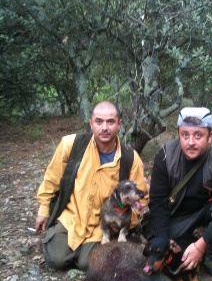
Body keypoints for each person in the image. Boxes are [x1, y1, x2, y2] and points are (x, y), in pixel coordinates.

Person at [35, 101, 148, 271]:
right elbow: (52, 177)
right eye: (99, 121)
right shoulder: (71, 145)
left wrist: (124, 221)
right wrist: (44, 209)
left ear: (119, 125)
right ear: (91, 123)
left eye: (110, 122)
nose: (104, 127)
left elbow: (140, 197)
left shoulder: (130, 158)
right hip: (72, 217)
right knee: (56, 260)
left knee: (86, 264)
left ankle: (86, 251)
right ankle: (61, 241)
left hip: (102, 224)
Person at [146, 107, 212, 277]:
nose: (190, 141)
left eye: (198, 135)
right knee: (162, 238)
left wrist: (202, 245)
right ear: (178, 134)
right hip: (176, 214)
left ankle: (210, 250)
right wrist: (163, 238)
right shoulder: (165, 156)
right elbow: (157, 201)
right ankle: (185, 242)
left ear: (210, 136)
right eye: (185, 135)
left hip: (206, 210)